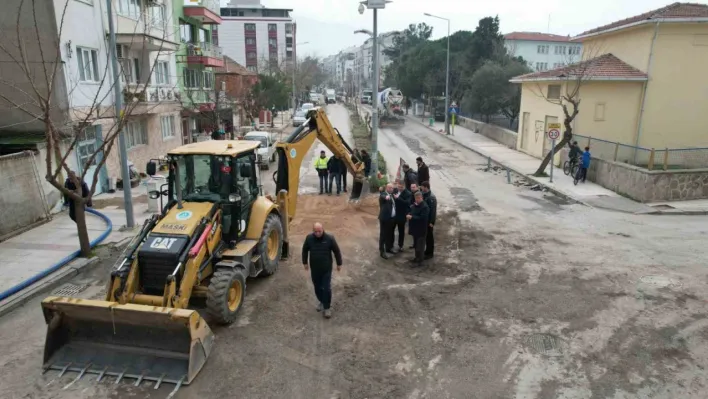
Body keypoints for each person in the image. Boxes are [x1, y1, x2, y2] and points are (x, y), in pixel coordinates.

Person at [302, 222, 343, 319]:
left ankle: (327, 308)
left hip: (326, 269)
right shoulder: (309, 238)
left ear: (323, 229)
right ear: (313, 231)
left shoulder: (329, 239)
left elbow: (336, 251)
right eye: (315, 231)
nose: (317, 233)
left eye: (319, 231)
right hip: (315, 269)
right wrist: (305, 262)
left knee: (326, 288)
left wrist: (339, 263)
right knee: (317, 287)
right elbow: (304, 250)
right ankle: (322, 301)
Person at [407, 191, 429, 267]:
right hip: (415, 229)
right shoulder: (414, 205)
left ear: (421, 198)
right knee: (416, 245)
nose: (417, 199)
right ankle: (416, 258)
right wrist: (410, 214)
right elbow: (411, 211)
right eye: (416, 198)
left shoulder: (424, 207)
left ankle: (421, 261)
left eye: (419, 198)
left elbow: (422, 218)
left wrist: (412, 217)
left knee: (420, 246)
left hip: (421, 230)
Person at [378, 183, 397, 259]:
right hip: (385, 219)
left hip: (391, 218)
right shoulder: (384, 194)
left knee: (390, 234)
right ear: (387, 188)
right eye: (390, 188)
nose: (391, 189)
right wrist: (386, 197)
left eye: (392, 188)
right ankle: (382, 251)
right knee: (383, 235)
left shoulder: (392, 195)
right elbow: (382, 196)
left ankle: (388, 248)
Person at [420, 181, 437, 259]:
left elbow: (433, 211)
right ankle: (427, 251)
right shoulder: (425, 194)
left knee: (430, 237)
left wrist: (431, 222)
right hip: (425, 220)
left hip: (429, 221)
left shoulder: (431, 197)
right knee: (427, 236)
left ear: (426, 187)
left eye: (422, 187)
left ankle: (430, 253)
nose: (421, 188)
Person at [393, 181, 412, 252]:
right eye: (399, 187)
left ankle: (400, 245)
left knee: (401, 231)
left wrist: (398, 198)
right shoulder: (395, 190)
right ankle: (390, 244)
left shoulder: (408, 193)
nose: (400, 188)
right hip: (394, 214)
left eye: (401, 187)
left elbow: (407, 203)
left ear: (404, 186)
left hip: (402, 215)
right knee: (391, 230)